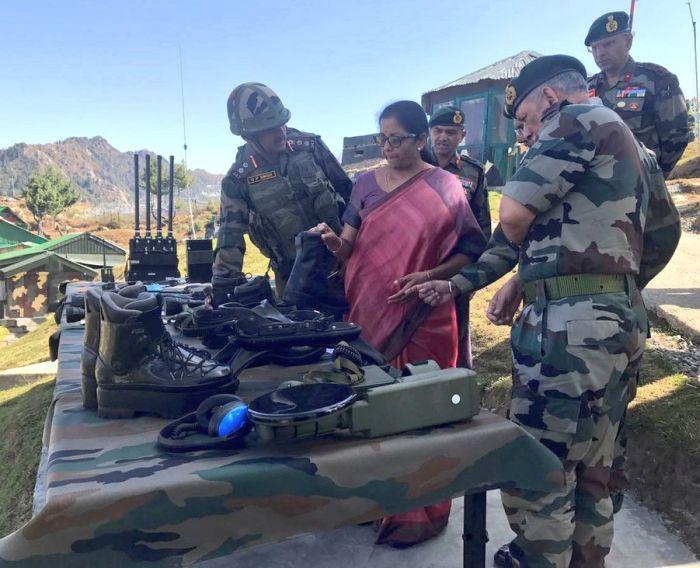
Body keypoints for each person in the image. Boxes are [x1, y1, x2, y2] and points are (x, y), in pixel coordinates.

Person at [415, 54, 679, 567]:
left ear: (552, 99)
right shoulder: (635, 147)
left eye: (528, 122)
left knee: (542, 465)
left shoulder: (576, 120)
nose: (528, 136)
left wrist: (572, 291)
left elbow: (512, 218)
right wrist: (471, 284)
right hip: (619, 323)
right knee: (595, 464)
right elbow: (663, 235)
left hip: (567, 332)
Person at [311, 100, 486, 547]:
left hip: (427, 314)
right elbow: (350, 247)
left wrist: (430, 276)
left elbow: (470, 249)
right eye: (382, 138)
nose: (387, 147)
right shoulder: (364, 185)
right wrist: (333, 243)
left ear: (421, 139)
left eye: (397, 139)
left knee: (422, 409)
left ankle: (419, 512)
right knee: (370, 406)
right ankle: (372, 503)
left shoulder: (447, 186)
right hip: (369, 312)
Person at [212, 82, 352, 300]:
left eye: (282, 124)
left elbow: (351, 197)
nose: (280, 133)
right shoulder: (238, 179)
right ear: (248, 137)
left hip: (343, 263)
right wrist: (222, 289)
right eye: (269, 130)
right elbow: (230, 237)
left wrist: (351, 251)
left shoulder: (310, 147)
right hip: (293, 278)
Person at [586, 11, 691, 178]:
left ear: (628, 41)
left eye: (607, 44)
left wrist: (655, 176)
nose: (600, 53)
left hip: (643, 183)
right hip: (600, 187)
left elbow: (676, 136)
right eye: (594, 48)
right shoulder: (587, 87)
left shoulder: (657, 79)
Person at [428, 105, 492, 368]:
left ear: (462, 136)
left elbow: (481, 228)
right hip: (415, 261)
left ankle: (456, 387)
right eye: (438, 130)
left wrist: (471, 277)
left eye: (451, 132)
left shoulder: (472, 172)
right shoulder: (412, 164)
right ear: (429, 133)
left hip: (455, 266)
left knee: (457, 330)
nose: (443, 137)